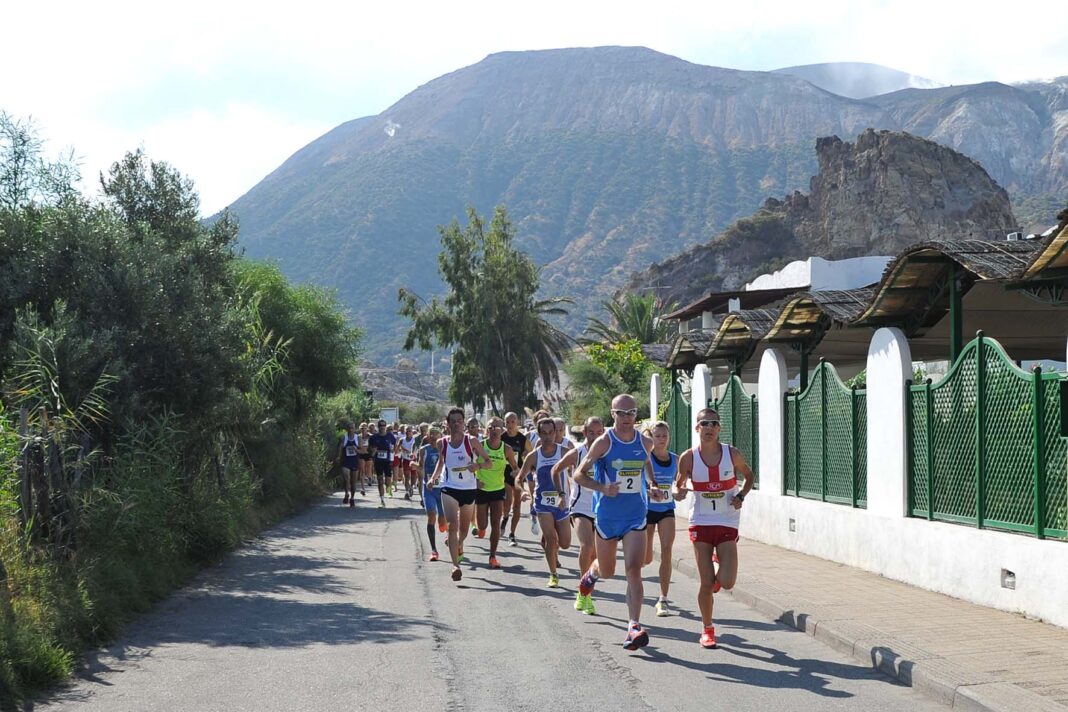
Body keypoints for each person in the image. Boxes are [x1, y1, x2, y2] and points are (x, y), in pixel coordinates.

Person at [574, 394, 666, 650]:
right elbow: (578, 475)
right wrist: (602, 487)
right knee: (608, 570)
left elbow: (646, 465)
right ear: (612, 414)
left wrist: (653, 486)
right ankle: (591, 574)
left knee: (634, 570)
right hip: (607, 517)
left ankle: (633, 626)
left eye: (632, 412)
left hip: (636, 515)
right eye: (621, 413)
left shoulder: (644, 442)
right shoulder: (604, 442)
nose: (627, 418)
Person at [674, 407, 754, 649]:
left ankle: (719, 562)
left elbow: (749, 477)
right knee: (706, 582)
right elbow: (678, 487)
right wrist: (678, 492)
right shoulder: (688, 457)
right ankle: (707, 629)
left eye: (713, 423)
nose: (708, 428)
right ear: (697, 428)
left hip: (727, 519)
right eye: (703, 424)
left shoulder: (733, 454)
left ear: (719, 428)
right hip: (700, 520)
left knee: (727, 582)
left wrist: (741, 495)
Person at [429, 407, 493, 582]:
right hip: (449, 487)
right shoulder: (442, 442)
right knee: (452, 525)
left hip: (468, 488)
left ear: (463, 422)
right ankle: (455, 565)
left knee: (464, 530)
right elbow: (441, 463)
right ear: (447, 424)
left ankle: (458, 544)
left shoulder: (471, 441)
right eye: (453, 421)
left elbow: (489, 462)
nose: (456, 424)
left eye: (459, 421)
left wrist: (477, 466)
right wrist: (433, 479)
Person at [551, 415, 603, 614]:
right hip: (579, 506)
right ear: (584, 433)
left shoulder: (607, 453)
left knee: (597, 555)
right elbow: (556, 470)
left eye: (599, 433)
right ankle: (585, 593)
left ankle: (587, 583)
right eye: (591, 433)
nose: (596, 437)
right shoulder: (578, 453)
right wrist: (562, 494)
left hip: (602, 507)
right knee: (586, 545)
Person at [517, 418, 571, 588]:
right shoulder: (534, 456)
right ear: (538, 434)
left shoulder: (564, 452)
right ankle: (553, 574)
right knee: (550, 539)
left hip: (562, 502)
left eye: (551, 433)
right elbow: (519, 479)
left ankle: (553, 548)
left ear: (556, 433)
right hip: (542, 503)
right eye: (544, 433)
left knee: (565, 543)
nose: (548, 437)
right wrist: (524, 491)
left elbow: (579, 470)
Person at [473, 416, 518, 569]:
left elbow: (515, 467)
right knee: (482, 525)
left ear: (502, 430)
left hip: (498, 490)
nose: (494, 430)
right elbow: (469, 465)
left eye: (497, 427)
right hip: (481, 489)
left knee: (496, 524)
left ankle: (492, 556)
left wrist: (517, 475)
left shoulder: (506, 449)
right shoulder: (479, 445)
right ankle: (480, 528)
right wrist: (474, 481)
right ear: (487, 430)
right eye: (491, 427)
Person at [644, 421, 678, 617]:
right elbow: (639, 484)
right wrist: (649, 491)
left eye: (664, 435)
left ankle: (663, 599)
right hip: (647, 510)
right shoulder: (646, 458)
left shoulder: (676, 459)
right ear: (652, 438)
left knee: (667, 551)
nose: (661, 439)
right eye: (657, 436)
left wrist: (680, 491)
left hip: (666, 510)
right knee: (647, 558)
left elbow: (680, 483)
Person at [501, 412, 531, 546]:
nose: (510, 425)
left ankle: (512, 534)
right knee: (507, 500)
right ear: (504, 423)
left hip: (518, 474)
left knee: (517, 505)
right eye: (507, 422)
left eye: (513, 422)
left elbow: (531, 454)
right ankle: (505, 517)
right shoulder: (501, 437)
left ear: (517, 422)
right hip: (504, 473)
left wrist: (525, 454)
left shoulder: (522, 439)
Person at [419, 427, 447, 561]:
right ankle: (434, 550)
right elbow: (420, 467)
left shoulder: (445, 448)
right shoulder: (423, 450)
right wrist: (415, 466)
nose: (435, 437)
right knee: (431, 517)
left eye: (437, 434)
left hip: (442, 488)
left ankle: (447, 531)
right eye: (432, 434)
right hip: (428, 488)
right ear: (428, 436)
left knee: (442, 520)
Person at [334, 422, 365, 506]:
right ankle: (346, 493)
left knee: (353, 482)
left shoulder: (358, 438)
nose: (351, 429)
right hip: (345, 461)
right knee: (346, 478)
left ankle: (352, 498)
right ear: (347, 429)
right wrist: (338, 457)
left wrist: (357, 450)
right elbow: (340, 448)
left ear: (354, 429)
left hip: (355, 462)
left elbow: (362, 451)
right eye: (349, 428)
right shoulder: (344, 438)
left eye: (352, 428)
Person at [368, 420, 397, 508]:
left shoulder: (390, 436)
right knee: (380, 480)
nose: (382, 427)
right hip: (378, 461)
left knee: (388, 481)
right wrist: (373, 451)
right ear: (378, 426)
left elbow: (395, 444)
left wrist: (393, 451)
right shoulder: (374, 437)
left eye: (384, 425)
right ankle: (382, 500)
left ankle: (388, 489)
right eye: (380, 425)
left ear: (385, 426)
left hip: (387, 461)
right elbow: (369, 448)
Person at [397, 425, 418, 500]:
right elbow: (397, 447)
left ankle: (411, 487)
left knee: (413, 476)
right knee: (406, 476)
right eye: (406, 431)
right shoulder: (402, 440)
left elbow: (419, 447)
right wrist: (401, 450)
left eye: (409, 431)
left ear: (412, 432)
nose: (408, 432)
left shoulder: (415, 439)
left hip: (413, 460)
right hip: (405, 460)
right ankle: (406, 491)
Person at [357, 422, 373, 490]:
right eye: (362, 428)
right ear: (360, 429)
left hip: (368, 454)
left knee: (369, 468)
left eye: (365, 428)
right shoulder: (358, 437)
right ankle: (362, 487)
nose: (363, 429)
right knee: (362, 470)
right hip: (361, 454)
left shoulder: (370, 436)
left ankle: (369, 477)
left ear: (367, 429)